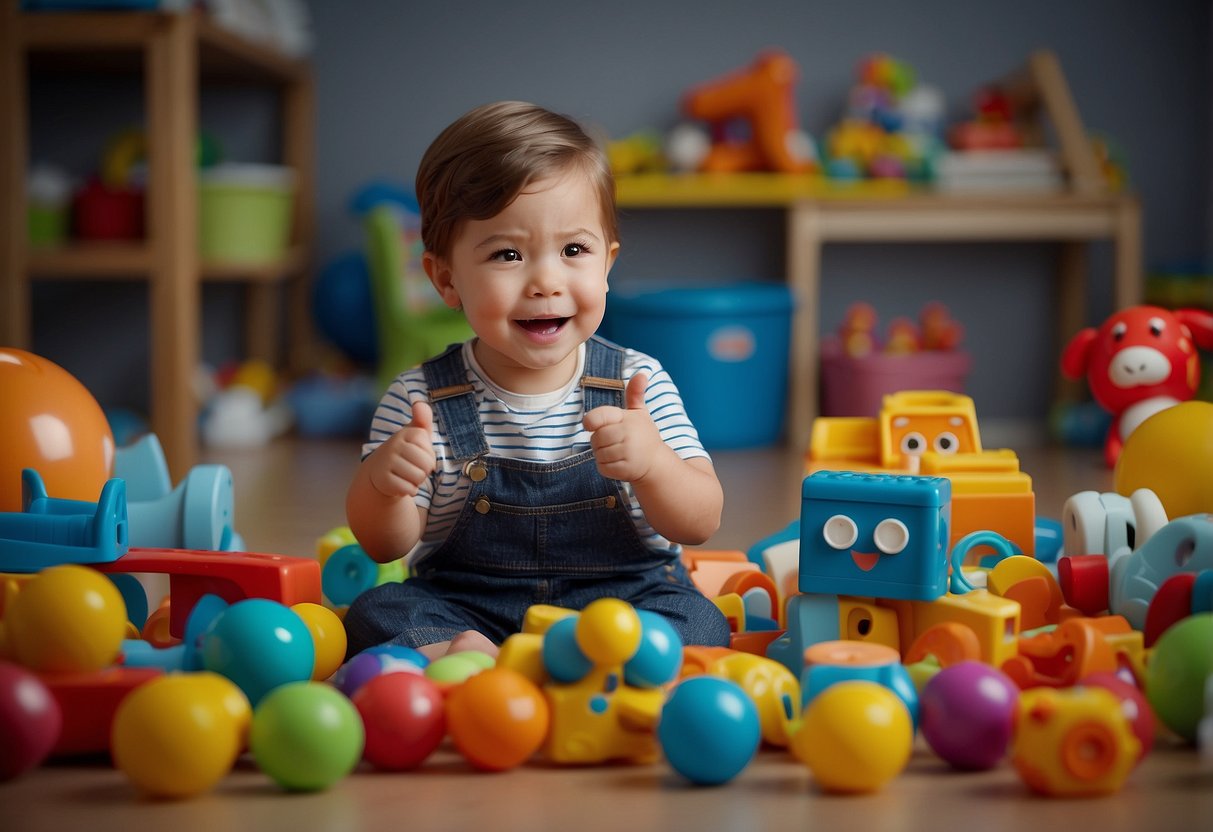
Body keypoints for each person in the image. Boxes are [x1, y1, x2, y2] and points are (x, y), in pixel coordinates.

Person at [343, 101, 730, 660]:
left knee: (697, 619)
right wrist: (384, 485)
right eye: (507, 254)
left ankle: (591, 660)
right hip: (470, 605)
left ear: (607, 262)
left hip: (622, 606)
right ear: (446, 279)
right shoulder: (420, 397)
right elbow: (385, 543)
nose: (546, 281)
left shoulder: (635, 382)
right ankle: (480, 659)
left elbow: (701, 522)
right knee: (374, 614)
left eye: (574, 250)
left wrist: (655, 465)